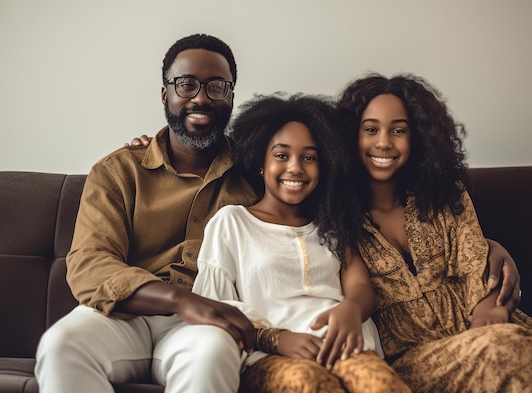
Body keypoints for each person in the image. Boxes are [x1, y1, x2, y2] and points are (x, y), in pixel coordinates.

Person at [35, 34, 259, 392]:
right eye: (186, 84)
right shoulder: (118, 171)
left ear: (231, 96)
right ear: (164, 94)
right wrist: (178, 298)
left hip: (207, 325)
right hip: (124, 316)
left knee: (212, 355)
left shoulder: (258, 176)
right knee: (62, 345)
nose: (201, 97)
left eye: (217, 86)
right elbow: (89, 263)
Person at [335, 72, 532, 392]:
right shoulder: (338, 217)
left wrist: (488, 320)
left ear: (418, 137)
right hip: (418, 361)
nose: (384, 142)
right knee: (507, 351)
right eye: (371, 129)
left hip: (499, 333)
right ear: (348, 136)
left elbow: (475, 265)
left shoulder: (444, 195)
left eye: (398, 130)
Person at [191, 93, 411, 393]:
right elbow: (211, 311)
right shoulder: (232, 223)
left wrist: (351, 309)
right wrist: (275, 339)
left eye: (309, 157)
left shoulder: (331, 225)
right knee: (309, 384)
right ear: (260, 162)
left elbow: (360, 287)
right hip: (270, 356)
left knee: (380, 384)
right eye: (282, 155)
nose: (296, 167)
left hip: (344, 347)